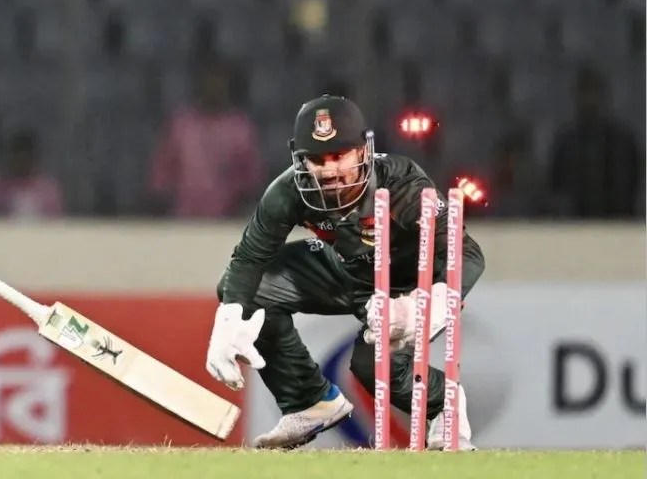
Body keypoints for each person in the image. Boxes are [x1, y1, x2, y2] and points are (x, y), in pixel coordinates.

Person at [204, 95, 486, 450]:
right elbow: (248, 258)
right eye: (318, 160)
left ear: (363, 151)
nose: (330, 171)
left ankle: (443, 405)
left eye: (340, 156)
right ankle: (309, 401)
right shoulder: (289, 190)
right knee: (246, 289)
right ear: (300, 159)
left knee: (372, 367)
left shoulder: (402, 185)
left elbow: (467, 252)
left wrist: (429, 303)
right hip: (341, 269)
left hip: (401, 290)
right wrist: (228, 320)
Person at [149, 60, 264, 218]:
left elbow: (252, 181)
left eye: (219, 83)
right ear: (201, 84)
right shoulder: (181, 125)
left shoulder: (241, 128)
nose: (214, 88)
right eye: (210, 82)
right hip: (182, 219)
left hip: (227, 220)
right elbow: (161, 176)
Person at [548, 64, 642, 219]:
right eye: (585, 93)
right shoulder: (565, 143)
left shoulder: (624, 141)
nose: (589, 100)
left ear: (604, 96)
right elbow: (556, 189)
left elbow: (633, 185)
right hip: (574, 224)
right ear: (576, 96)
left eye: (594, 92)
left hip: (617, 223)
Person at [0, 130, 65, 220]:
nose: (21, 162)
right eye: (18, 157)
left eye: (26, 158)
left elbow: (56, 224)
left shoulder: (47, 192)